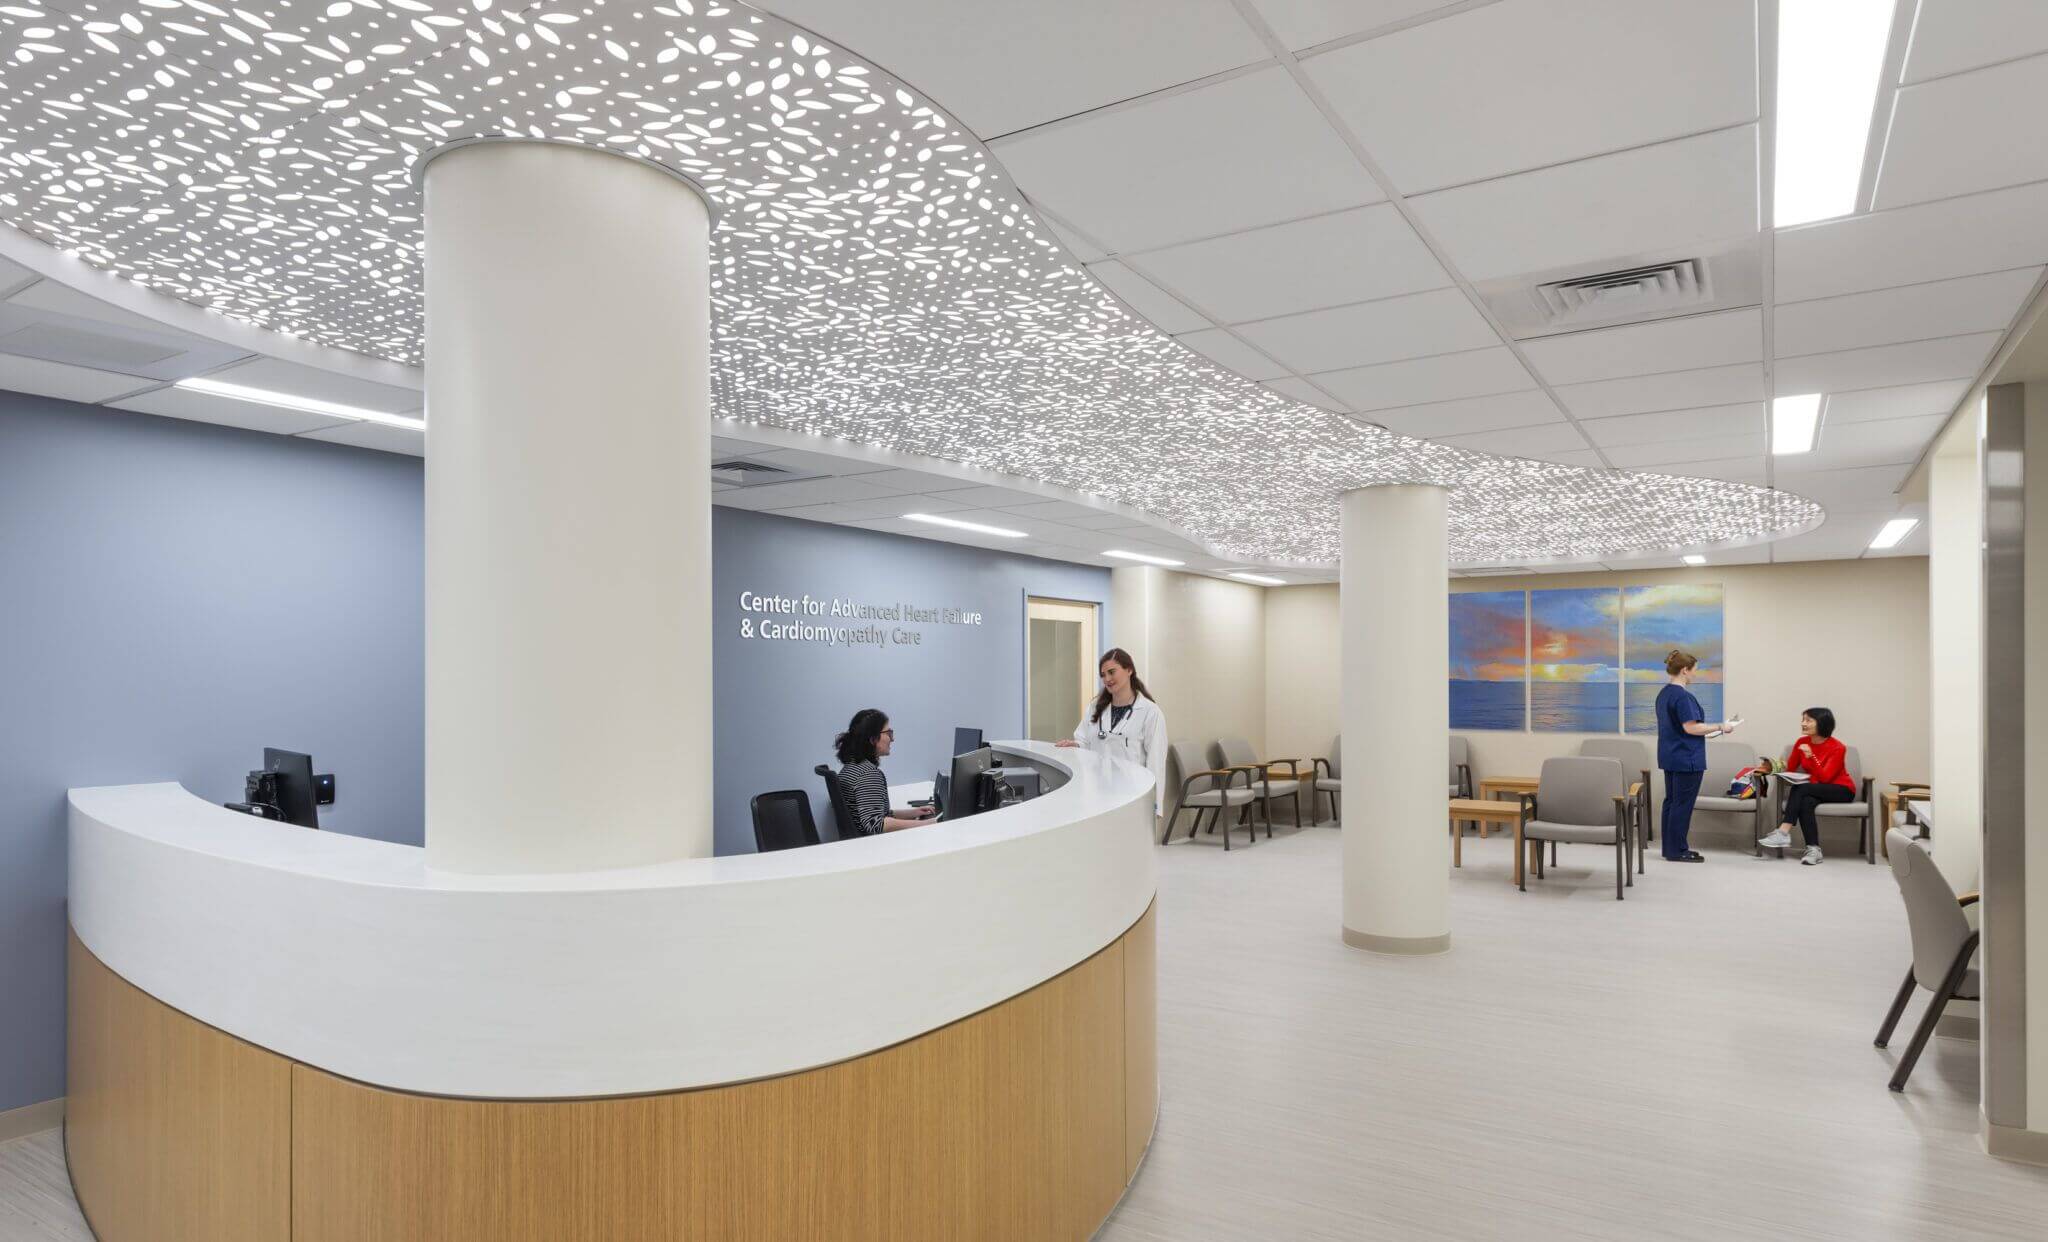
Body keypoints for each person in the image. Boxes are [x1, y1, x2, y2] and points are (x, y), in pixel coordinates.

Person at [1055, 648, 1168, 815]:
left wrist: (1155, 807)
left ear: (1129, 670)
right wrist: (1075, 745)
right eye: (1103, 675)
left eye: (1111, 672)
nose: (1107, 679)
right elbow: (1085, 741)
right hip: (1098, 794)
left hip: (1133, 796)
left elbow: (1156, 762)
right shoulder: (1095, 708)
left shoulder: (1150, 712)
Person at [1655, 649, 1739, 862]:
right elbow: (1691, 728)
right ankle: (1678, 851)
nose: (1695, 675)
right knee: (1682, 805)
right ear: (1684, 670)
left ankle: (1670, 848)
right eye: (1694, 670)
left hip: (1670, 756)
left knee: (1672, 803)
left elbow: (1680, 728)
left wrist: (1712, 729)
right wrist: (1722, 726)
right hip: (1687, 759)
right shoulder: (1683, 697)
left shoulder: (1664, 694)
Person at [1758, 707, 1855, 865]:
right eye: (1803, 719)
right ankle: (1814, 850)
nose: (1803, 723)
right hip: (1815, 789)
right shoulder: (1801, 742)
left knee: (1801, 788)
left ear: (1822, 723)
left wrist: (1812, 756)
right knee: (1806, 802)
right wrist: (1772, 767)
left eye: (1808, 720)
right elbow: (1790, 768)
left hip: (1841, 789)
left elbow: (1826, 777)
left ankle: (1783, 831)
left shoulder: (1838, 747)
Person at [833, 708, 936, 837]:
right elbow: (876, 825)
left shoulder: (852, 766)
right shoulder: (868, 775)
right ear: (872, 739)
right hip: (873, 847)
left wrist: (913, 813)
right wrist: (928, 823)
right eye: (889, 733)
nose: (892, 739)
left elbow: (876, 814)